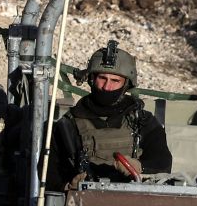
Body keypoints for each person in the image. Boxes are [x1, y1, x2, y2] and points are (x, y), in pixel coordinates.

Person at [52, 41, 171, 185]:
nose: (107, 87)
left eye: (115, 81)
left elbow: (163, 164)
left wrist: (139, 167)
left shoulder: (142, 121)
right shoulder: (68, 124)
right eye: (102, 78)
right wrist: (68, 184)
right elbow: (51, 173)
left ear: (126, 84)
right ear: (91, 79)